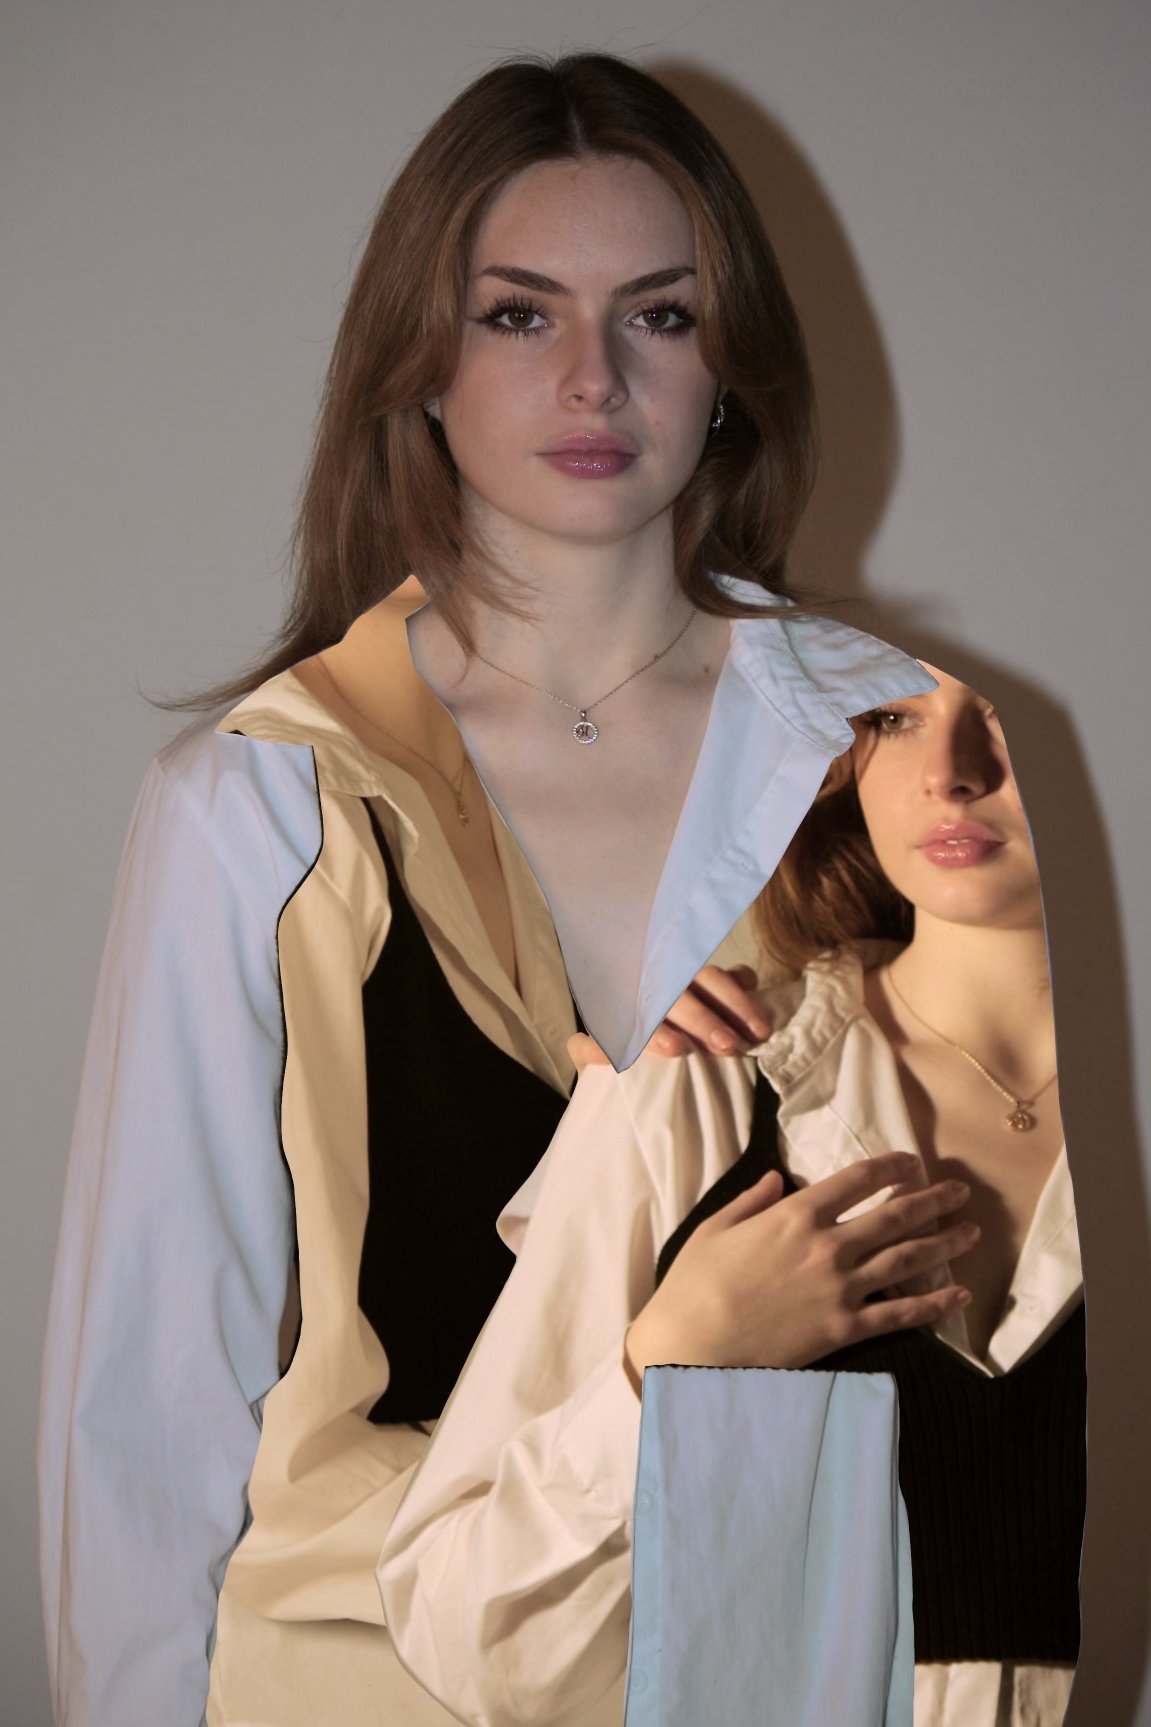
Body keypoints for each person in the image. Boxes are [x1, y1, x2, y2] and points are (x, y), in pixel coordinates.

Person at [40, 50, 939, 1727]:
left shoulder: (903, 761)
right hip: (359, 1675)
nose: (593, 376)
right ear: (419, 366)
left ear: (729, 364)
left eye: (658, 314)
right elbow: (154, 1390)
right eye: (519, 314)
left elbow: (998, 1345)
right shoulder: (258, 797)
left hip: (783, 1677)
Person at [378, 668, 1083, 1727]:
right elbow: (472, 1635)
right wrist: (671, 1363)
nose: (948, 773)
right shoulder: (688, 1085)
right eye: (891, 716)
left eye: (1005, 712)